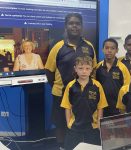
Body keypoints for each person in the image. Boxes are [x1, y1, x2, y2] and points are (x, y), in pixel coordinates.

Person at [45, 13, 97, 149]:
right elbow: (49, 71)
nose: (75, 26)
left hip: (83, 94)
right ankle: (62, 147)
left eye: (78, 23)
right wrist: (61, 87)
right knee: (61, 123)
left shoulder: (89, 46)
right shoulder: (58, 47)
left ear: (82, 26)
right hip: (61, 94)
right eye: (71, 23)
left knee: (79, 122)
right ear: (66, 26)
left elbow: (94, 68)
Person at [61, 55, 108, 150]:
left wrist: (99, 123)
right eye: (81, 68)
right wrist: (68, 123)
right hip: (74, 126)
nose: (84, 71)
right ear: (75, 69)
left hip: (92, 126)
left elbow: (100, 107)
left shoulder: (97, 86)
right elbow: (67, 106)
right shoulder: (70, 86)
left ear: (91, 70)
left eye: (87, 68)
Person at [96, 38, 131, 117]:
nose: (109, 50)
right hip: (101, 108)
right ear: (103, 49)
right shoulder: (98, 67)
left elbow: (127, 88)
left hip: (117, 108)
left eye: (112, 48)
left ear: (117, 50)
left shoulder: (122, 68)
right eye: (107, 48)